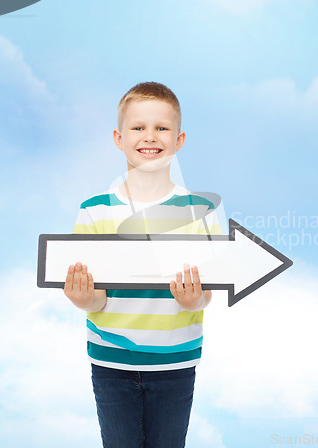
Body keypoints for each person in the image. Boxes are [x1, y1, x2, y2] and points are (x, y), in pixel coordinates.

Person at [63, 82, 222, 448]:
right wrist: (84, 299)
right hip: (111, 363)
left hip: (176, 362)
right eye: (138, 127)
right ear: (119, 138)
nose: (150, 136)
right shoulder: (94, 210)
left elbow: (208, 293)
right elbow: (95, 297)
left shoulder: (199, 211)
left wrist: (193, 300)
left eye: (161, 128)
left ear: (179, 139)